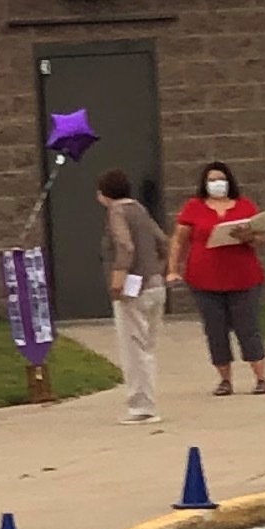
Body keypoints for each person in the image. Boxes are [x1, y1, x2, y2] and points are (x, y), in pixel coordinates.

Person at [173, 159, 265, 395]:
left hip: (243, 278)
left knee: (248, 328)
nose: (218, 184)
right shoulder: (194, 207)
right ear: (205, 183)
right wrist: (172, 268)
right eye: (212, 180)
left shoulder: (244, 205)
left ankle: (261, 378)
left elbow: (260, 238)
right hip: (205, 280)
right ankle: (225, 379)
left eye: (221, 179)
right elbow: (179, 240)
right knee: (215, 330)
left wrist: (247, 236)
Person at [97, 166, 169, 423]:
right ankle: (147, 400)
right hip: (155, 284)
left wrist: (118, 280)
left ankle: (141, 406)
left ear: (104, 193)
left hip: (133, 288)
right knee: (147, 347)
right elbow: (162, 241)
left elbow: (125, 246)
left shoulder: (117, 211)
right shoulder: (140, 209)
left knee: (133, 348)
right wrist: (157, 269)